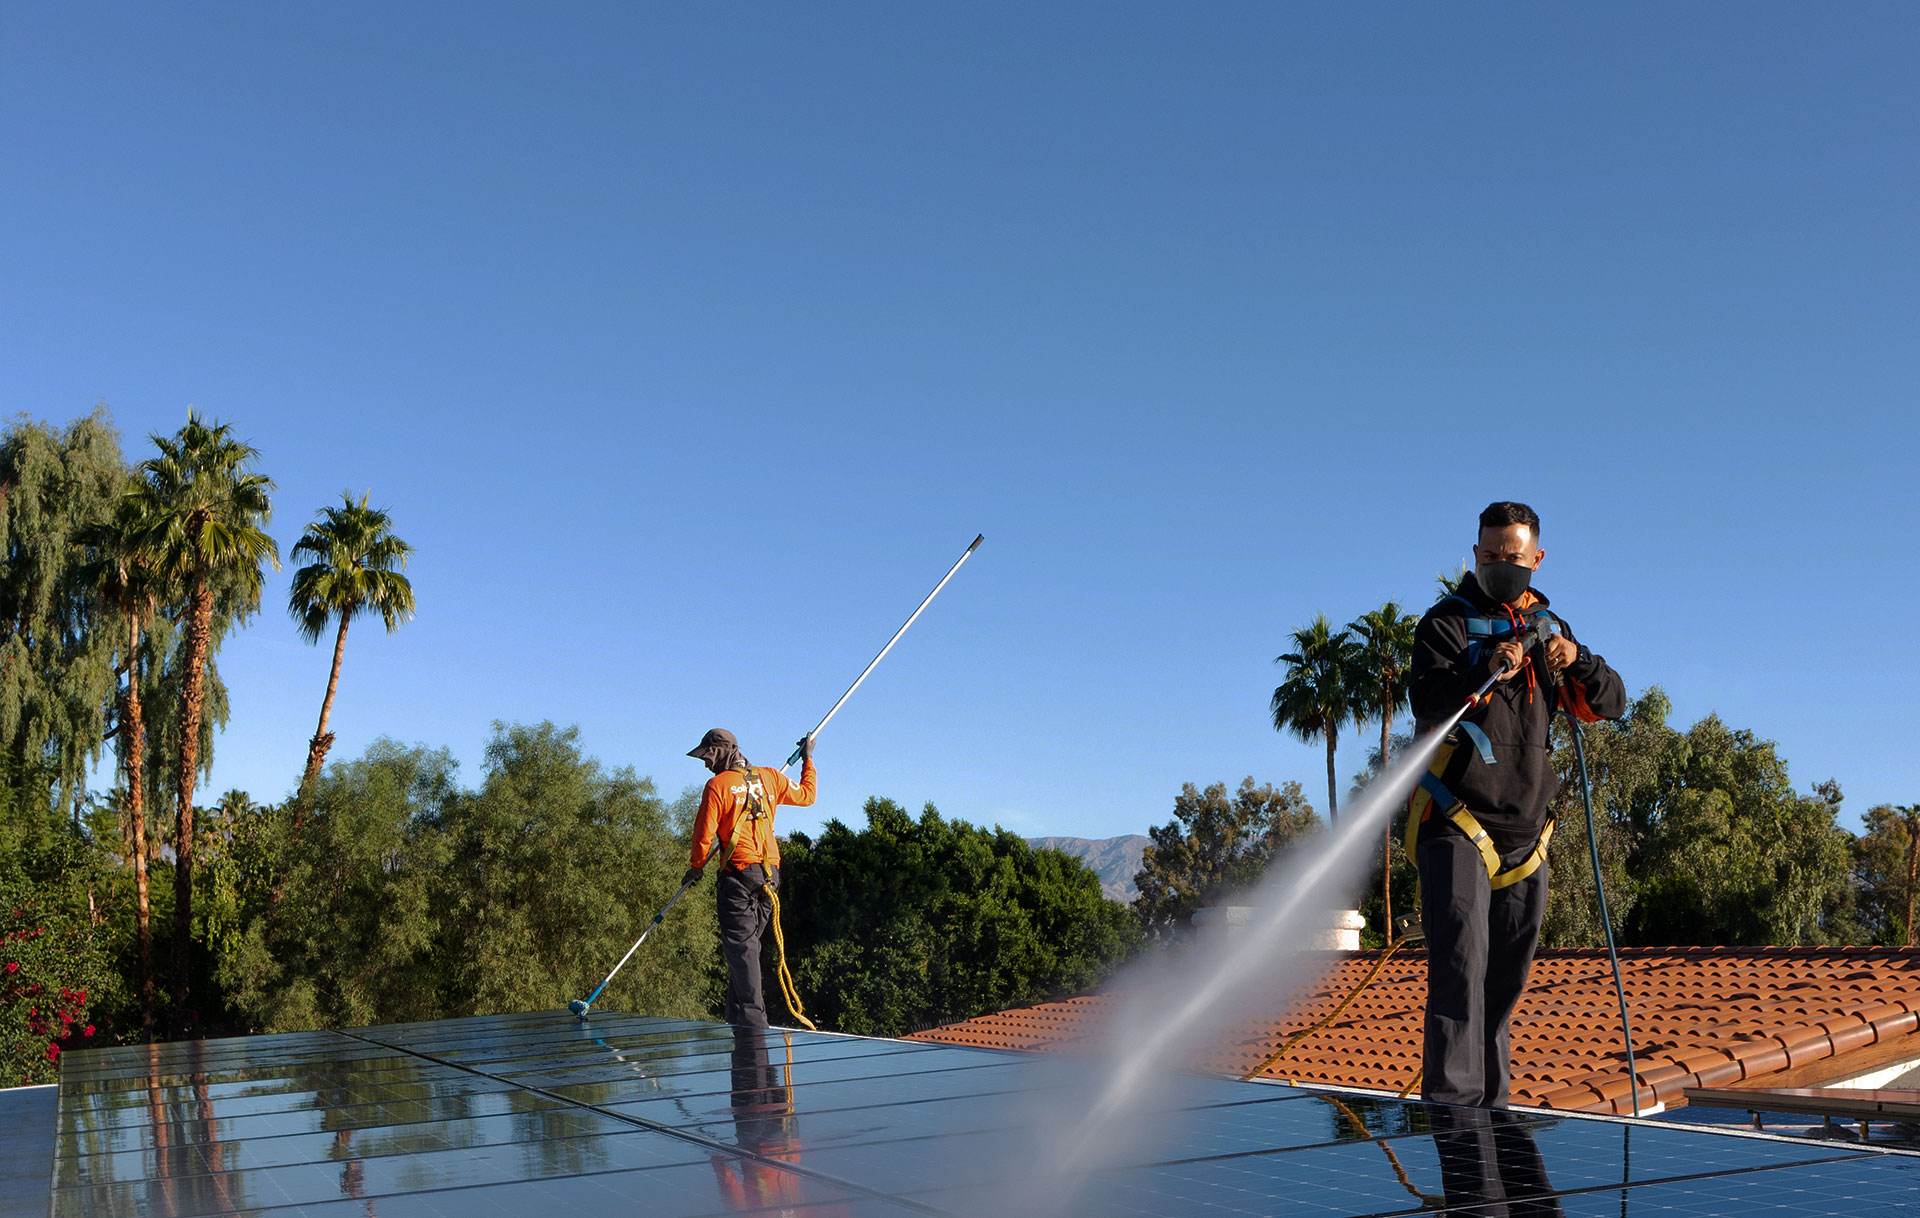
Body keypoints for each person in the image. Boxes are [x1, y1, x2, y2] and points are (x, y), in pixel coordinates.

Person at [1408, 501, 1625, 1108]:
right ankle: (1455, 1128)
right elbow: (1428, 702)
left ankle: (1494, 1124)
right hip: (1457, 821)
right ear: (1475, 554)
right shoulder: (1446, 623)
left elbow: (1609, 702)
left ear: (1536, 558)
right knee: (1460, 975)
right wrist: (1489, 662)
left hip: (1528, 836)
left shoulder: (1551, 625)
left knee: (1503, 988)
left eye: (1514, 556)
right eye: (1491, 555)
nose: (1502, 564)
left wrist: (1575, 658)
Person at [683, 728, 818, 1027]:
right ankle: (738, 1021)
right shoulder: (771, 777)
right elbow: (807, 796)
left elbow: (703, 836)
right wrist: (808, 760)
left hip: (739, 878)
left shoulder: (717, 786)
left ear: (720, 752)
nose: (705, 763)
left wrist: (696, 867)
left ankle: (754, 1029)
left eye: (707, 756)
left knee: (743, 952)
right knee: (746, 951)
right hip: (770, 877)